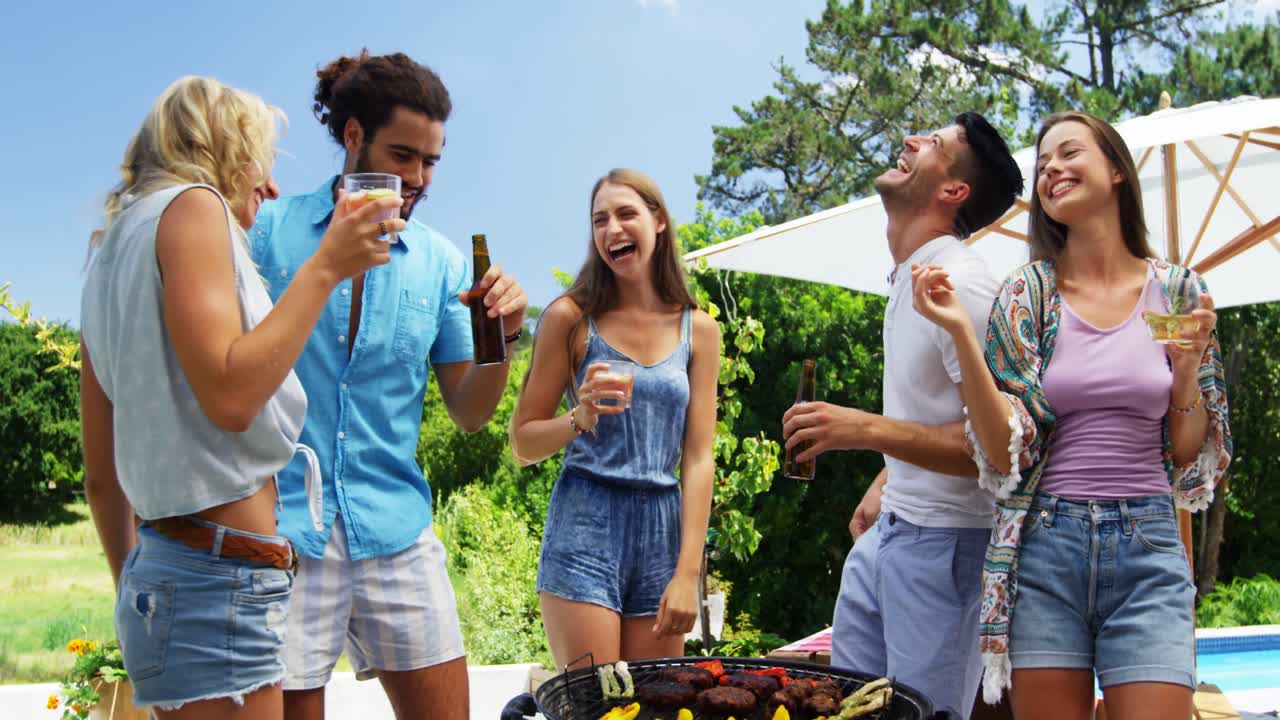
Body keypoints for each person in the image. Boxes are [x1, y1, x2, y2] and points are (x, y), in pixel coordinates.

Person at [80, 76, 400, 718]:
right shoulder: (194, 207)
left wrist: (138, 593)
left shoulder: (111, 252)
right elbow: (232, 397)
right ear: (219, 148)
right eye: (261, 160)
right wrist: (327, 267)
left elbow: (102, 477)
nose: (272, 187)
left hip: (171, 579)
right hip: (215, 583)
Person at [911, 110, 1232, 719]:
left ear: (1117, 170)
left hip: (1149, 544)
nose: (1051, 169)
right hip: (1045, 548)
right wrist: (959, 333)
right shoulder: (1027, 295)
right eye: (1042, 165)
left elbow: (1187, 452)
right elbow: (1002, 450)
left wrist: (1187, 371)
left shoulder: (1178, 292)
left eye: (1068, 153)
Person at [249, 51, 527, 720]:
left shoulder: (440, 261)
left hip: (395, 529)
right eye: (403, 155)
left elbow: (469, 411)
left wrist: (504, 338)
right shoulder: (269, 233)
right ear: (354, 137)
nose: (418, 178)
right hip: (285, 531)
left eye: (430, 161)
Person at [781, 113, 1023, 719]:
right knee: (848, 710)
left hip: (949, 549)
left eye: (933, 142)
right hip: (887, 536)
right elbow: (941, 411)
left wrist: (862, 430)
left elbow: (999, 449)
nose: (911, 140)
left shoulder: (965, 285)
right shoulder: (908, 278)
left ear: (954, 190)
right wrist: (887, 477)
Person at [508, 168, 719, 669]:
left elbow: (698, 458)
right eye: (600, 220)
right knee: (595, 700)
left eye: (626, 214)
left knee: (655, 700)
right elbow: (523, 442)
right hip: (586, 520)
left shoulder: (699, 330)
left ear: (659, 221)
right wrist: (579, 417)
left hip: (662, 529)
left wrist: (688, 573)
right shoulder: (570, 318)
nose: (612, 230)